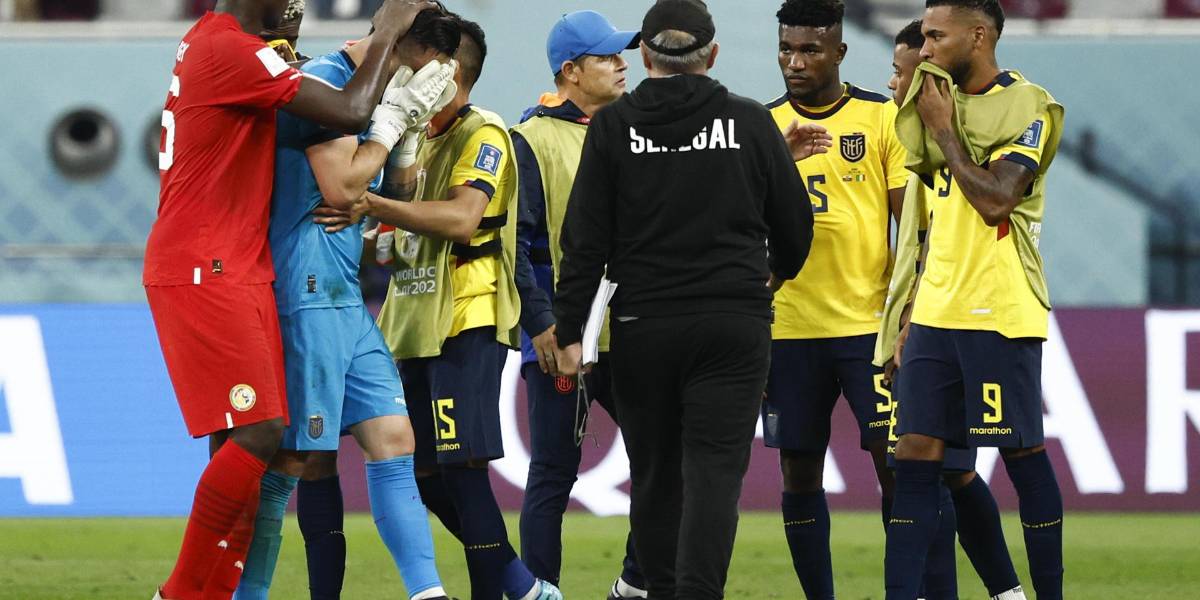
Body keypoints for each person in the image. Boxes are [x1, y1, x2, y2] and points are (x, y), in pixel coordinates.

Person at [143, 1, 439, 598]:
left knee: (246, 444)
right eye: (289, 5)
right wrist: (384, 37)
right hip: (207, 261)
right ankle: (180, 591)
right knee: (262, 436)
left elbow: (320, 85)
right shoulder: (231, 50)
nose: (297, 12)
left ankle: (217, 591)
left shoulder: (217, 41)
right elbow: (351, 108)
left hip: (238, 262)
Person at [552, 1, 823, 597]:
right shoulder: (751, 123)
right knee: (713, 476)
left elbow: (584, 240)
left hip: (644, 325)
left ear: (645, 55)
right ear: (713, 55)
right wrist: (774, 275)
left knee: (654, 475)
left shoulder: (614, 127)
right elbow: (797, 226)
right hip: (733, 324)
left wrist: (570, 332)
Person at [332, 13, 562, 600]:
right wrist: (378, 227)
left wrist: (375, 206)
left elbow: (462, 219)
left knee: (462, 474)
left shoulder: (484, 132)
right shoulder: (413, 137)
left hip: (466, 317)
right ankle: (524, 588)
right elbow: (389, 238)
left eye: (410, 59)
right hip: (410, 324)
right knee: (426, 478)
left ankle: (508, 591)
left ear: (445, 70)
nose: (397, 69)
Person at [232, 10, 460, 600]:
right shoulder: (329, 89)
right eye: (418, 72)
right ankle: (247, 593)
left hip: (344, 297)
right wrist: (384, 127)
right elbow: (341, 190)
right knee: (291, 464)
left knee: (394, 439)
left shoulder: (382, 99)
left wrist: (405, 135)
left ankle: (427, 593)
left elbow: (392, 193)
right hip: (305, 289)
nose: (417, 89)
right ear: (397, 49)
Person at [885, 2, 1065, 599]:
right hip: (936, 310)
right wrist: (908, 309)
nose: (927, 46)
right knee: (914, 454)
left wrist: (942, 127)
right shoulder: (929, 101)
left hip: (999, 306)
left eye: (937, 35)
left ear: (979, 35)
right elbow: (929, 217)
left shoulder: (1029, 104)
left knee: (1020, 454)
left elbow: (995, 200)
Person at [761, 2, 908, 597]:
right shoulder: (760, 125)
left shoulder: (881, 118)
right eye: (787, 49)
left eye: (810, 50)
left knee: (896, 466)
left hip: (867, 327)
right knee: (798, 470)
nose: (795, 62)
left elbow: (912, 227)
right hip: (788, 328)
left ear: (840, 52)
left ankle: (908, 588)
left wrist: (906, 316)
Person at [508, 10, 646, 599]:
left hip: (639, 332)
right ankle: (543, 590)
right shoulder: (531, 139)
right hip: (568, 338)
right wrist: (543, 325)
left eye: (622, 55)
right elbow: (517, 243)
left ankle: (635, 586)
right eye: (607, 57)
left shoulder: (640, 127)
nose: (622, 65)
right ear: (570, 71)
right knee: (552, 475)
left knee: (667, 464)